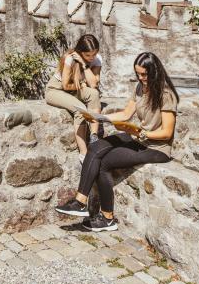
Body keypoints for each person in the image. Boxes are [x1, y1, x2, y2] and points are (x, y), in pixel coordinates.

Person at [55, 52, 179, 232]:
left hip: (157, 147)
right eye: (138, 74)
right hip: (139, 137)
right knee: (96, 147)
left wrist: (143, 133)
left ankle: (107, 218)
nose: (141, 78)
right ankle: (80, 202)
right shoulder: (140, 88)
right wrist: (98, 117)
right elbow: (126, 114)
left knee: (104, 163)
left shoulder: (166, 94)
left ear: (155, 72)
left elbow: (167, 133)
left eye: (144, 74)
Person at [44, 34, 103, 161]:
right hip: (56, 90)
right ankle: (84, 154)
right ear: (80, 52)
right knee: (80, 109)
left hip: (76, 89)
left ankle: (93, 137)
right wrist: (82, 84)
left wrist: (85, 64)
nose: (91, 58)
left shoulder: (96, 60)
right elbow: (65, 85)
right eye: (87, 55)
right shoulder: (70, 59)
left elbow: (93, 84)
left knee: (94, 94)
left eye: (94, 54)